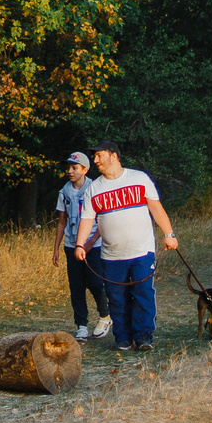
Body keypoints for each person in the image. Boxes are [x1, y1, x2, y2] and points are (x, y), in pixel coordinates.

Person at [72, 141, 177, 352]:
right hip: (111, 255)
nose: (96, 160)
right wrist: (80, 245)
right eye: (94, 157)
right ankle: (122, 337)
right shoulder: (94, 188)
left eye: (99, 155)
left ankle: (144, 336)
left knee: (143, 294)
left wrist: (169, 234)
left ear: (114, 156)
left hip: (142, 251)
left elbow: (156, 208)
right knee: (116, 298)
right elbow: (87, 219)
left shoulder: (139, 179)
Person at [52, 151, 112, 340]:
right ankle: (81, 325)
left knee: (95, 282)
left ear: (85, 170)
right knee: (76, 286)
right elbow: (62, 221)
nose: (70, 171)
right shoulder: (64, 191)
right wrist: (56, 248)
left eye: (74, 168)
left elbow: (104, 218)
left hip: (92, 245)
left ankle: (105, 315)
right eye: (68, 168)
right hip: (71, 244)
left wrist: (92, 240)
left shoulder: (94, 188)